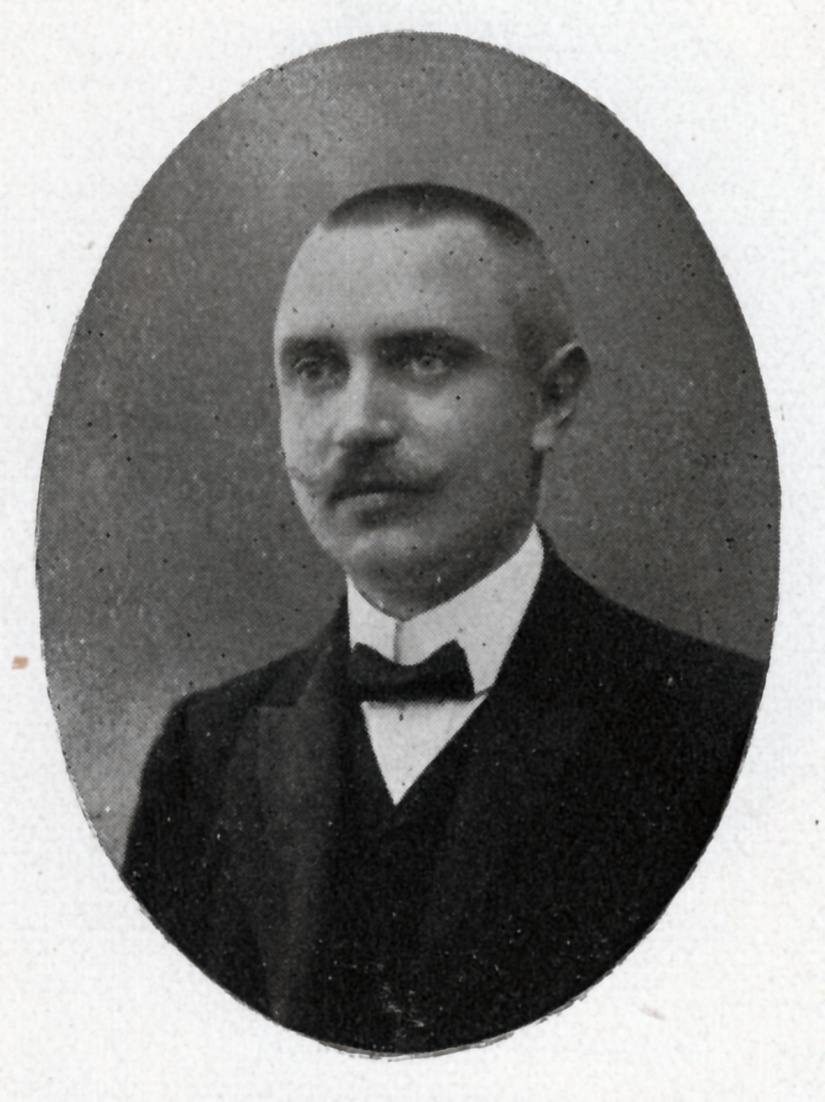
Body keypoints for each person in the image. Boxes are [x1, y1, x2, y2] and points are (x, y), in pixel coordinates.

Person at [122, 183, 766, 1054]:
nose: (358, 424)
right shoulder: (202, 755)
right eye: (315, 370)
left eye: (423, 360)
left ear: (552, 399)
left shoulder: (725, 736)